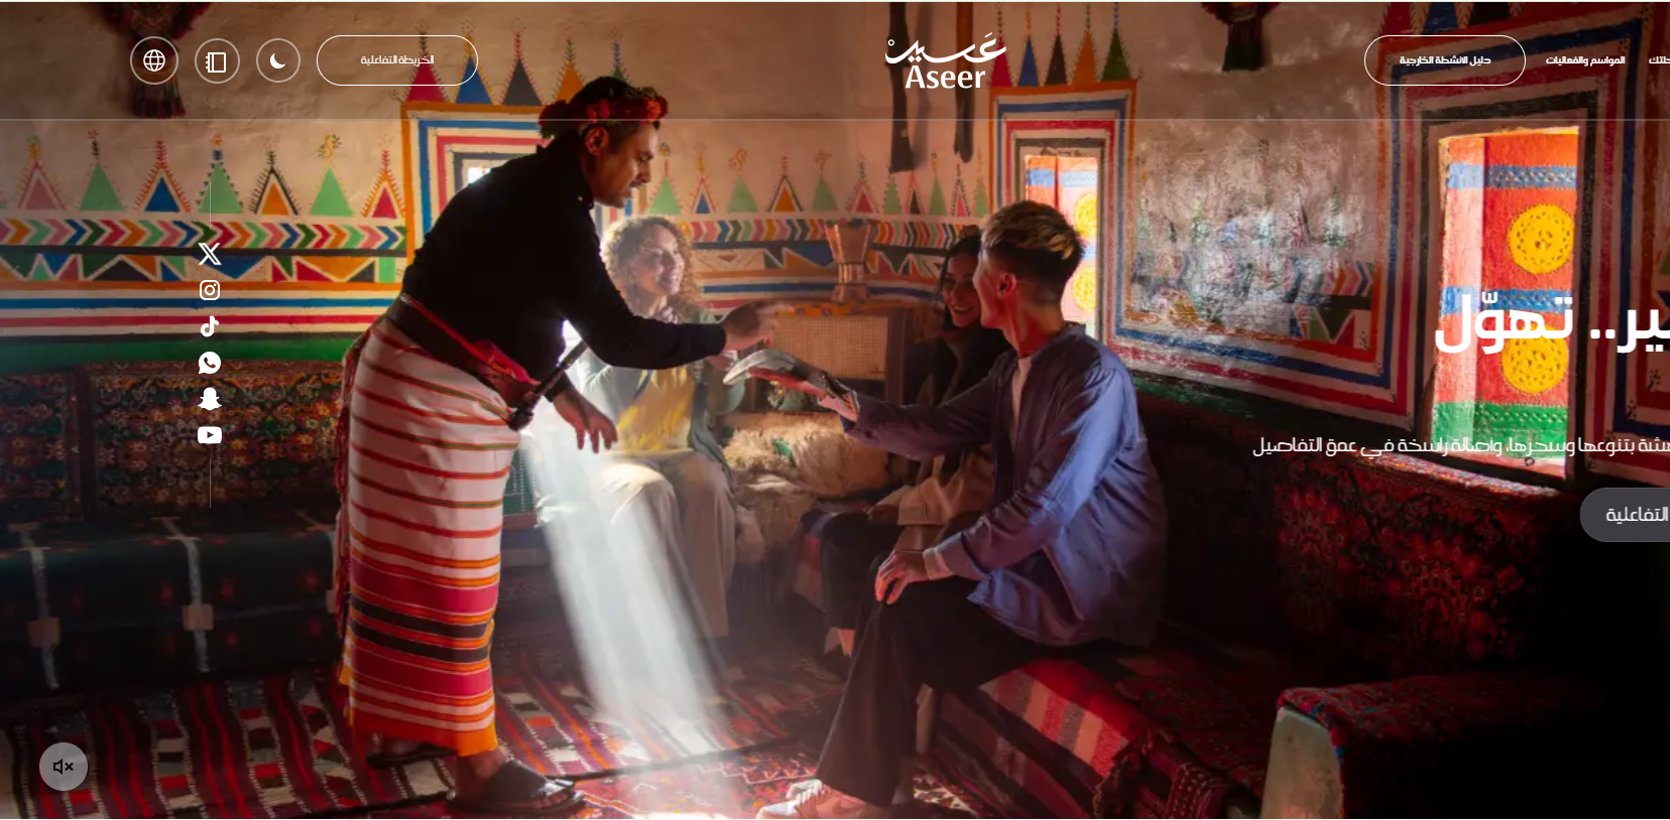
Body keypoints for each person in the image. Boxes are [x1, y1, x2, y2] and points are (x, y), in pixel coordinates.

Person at [330, 76, 781, 817]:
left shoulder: (534, 192)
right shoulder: (552, 209)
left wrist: (560, 394)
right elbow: (621, 336)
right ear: (594, 141)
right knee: (451, 583)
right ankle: (478, 770)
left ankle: (394, 725)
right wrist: (724, 335)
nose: (644, 173)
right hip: (427, 397)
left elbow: (505, 308)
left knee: (407, 570)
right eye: (640, 155)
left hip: (414, 384)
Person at [755, 202, 1167, 818]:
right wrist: (831, 394)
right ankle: (874, 780)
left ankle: (853, 791)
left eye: (975, 275)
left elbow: (1045, 510)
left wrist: (936, 561)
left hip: (1081, 590)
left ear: (1002, 285)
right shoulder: (1014, 370)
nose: (965, 287)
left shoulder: (1093, 379)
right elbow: (934, 429)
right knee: (890, 583)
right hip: (1030, 569)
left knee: (906, 597)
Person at [815, 228, 1009, 659]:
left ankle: (867, 675)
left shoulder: (1004, 368)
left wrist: (901, 507)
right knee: (841, 532)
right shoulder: (941, 356)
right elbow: (921, 448)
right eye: (950, 283)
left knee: (860, 553)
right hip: (933, 507)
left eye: (970, 284)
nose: (958, 296)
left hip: (965, 522)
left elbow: (971, 477)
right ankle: (855, 670)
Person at [583, 215, 745, 648]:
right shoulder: (603, 323)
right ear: (625, 267)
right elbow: (594, 402)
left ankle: (709, 636)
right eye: (655, 256)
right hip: (616, 457)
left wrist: (723, 375)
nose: (670, 264)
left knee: (709, 486)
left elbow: (723, 408)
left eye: (674, 254)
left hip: (683, 450)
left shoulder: (695, 320)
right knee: (651, 492)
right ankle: (653, 639)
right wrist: (647, 341)